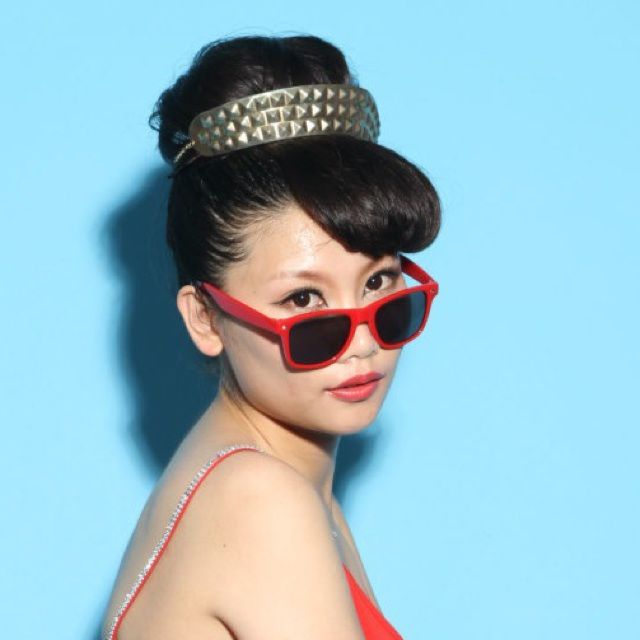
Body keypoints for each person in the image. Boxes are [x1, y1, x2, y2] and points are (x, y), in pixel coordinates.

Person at [101, 33, 441, 640]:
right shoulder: (262, 501)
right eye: (304, 300)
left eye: (379, 284)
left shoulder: (288, 486)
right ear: (206, 318)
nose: (363, 342)